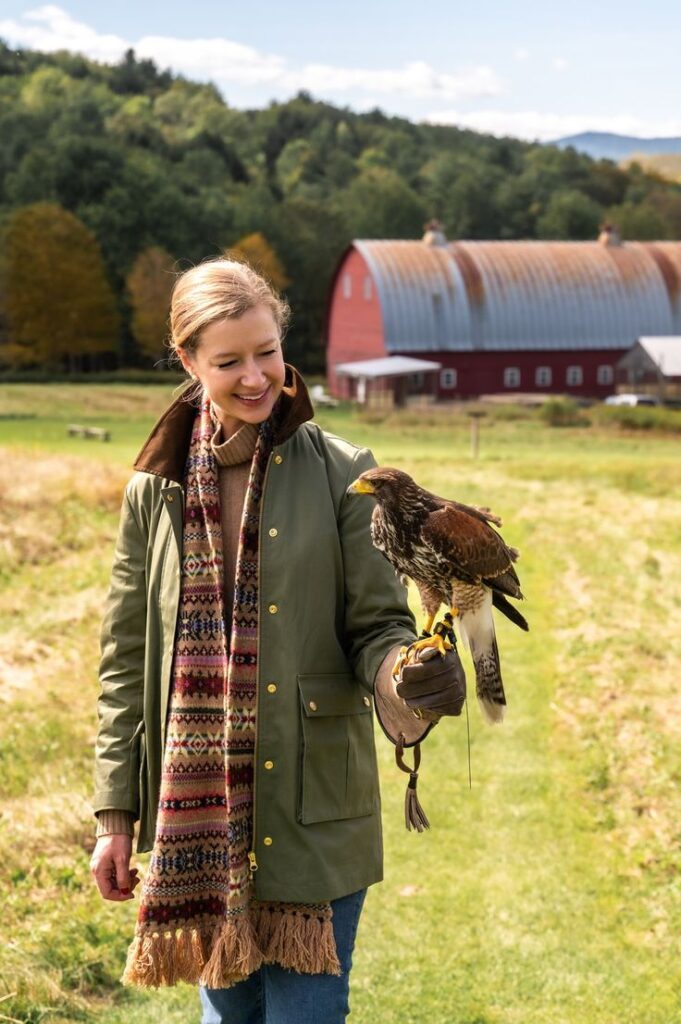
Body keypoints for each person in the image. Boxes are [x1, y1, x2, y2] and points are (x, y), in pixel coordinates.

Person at [90, 257, 466, 1024]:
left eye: (266, 351)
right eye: (229, 361)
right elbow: (126, 662)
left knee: (305, 1015)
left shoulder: (343, 474)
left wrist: (405, 673)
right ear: (189, 363)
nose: (256, 376)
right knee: (227, 1017)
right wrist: (114, 819)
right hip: (196, 815)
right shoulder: (152, 491)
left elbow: (376, 627)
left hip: (312, 804)